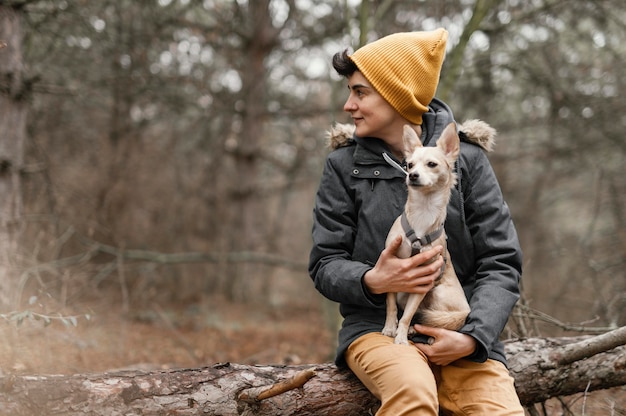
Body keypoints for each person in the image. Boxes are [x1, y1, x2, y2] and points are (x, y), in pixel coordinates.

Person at [308, 28, 525, 415]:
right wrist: (372, 280)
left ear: (398, 96)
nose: (348, 105)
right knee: (413, 394)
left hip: (463, 333)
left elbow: (501, 261)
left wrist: (474, 337)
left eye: (360, 92)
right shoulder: (344, 166)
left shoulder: (467, 159)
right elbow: (325, 264)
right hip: (378, 329)